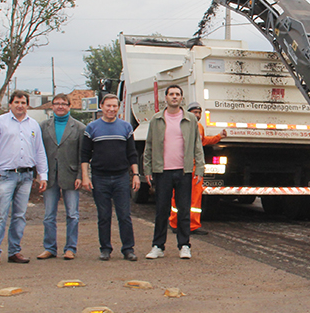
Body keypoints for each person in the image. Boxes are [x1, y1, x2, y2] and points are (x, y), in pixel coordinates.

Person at [0, 90, 47, 267]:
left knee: (20, 215)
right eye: (17, 102)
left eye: (23, 102)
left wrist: (43, 174)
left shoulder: (33, 125)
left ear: (27, 105)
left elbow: (39, 150)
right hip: (5, 174)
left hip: (26, 176)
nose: (20, 105)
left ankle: (14, 251)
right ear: (10, 104)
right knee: (0, 215)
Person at [141, 84, 204, 260]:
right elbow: (150, 146)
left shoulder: (191, 119)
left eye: (177, 94)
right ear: (166, 98)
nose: (174, 97)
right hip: (163, 171)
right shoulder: (156, 119)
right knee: (162, 210)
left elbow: (197, 146)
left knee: (184, 210)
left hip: (184, 171)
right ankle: (158, 246)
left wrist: (199, 168)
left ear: (181, 98)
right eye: (171, 94)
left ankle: (184, 245)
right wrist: (148, 168)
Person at [80, 94, 140, 261]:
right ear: (102, 106)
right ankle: (105, 248)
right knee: (104, 216)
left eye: (115, 106)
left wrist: (135, 175)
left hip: (121, 177)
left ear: (118, 107)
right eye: (108, 106)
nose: (112, 109)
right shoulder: (91, 128)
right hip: (100, 178)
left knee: (124, 215)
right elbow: (84, 155)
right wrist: (85, 176)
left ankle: (128, 249)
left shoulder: (126, 128)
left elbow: (132, 154)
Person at [39, 93, 86, 261]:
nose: (60, 106)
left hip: (71, 175)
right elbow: (38, 152)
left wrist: (81, 175)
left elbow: (83, 155)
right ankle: (49, 247)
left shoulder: (79, 127)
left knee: (72, 214)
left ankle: (70, 248)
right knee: (49, 215)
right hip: (49, 175)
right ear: (52, 106)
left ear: (69, 106)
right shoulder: (43, 126)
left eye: (63, 104)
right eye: (57, 103)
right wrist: (40, 174)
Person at [170, 102, 224, 234]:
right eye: (195, 112)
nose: (198, 115)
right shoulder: (180, 126)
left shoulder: (199, 127)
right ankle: (175, 223)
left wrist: (219, 137)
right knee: (177, 196)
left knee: (195, 198)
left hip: (195, 169)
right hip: (181, 166)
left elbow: (203, 141)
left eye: (199, 113)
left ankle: (193, 226)